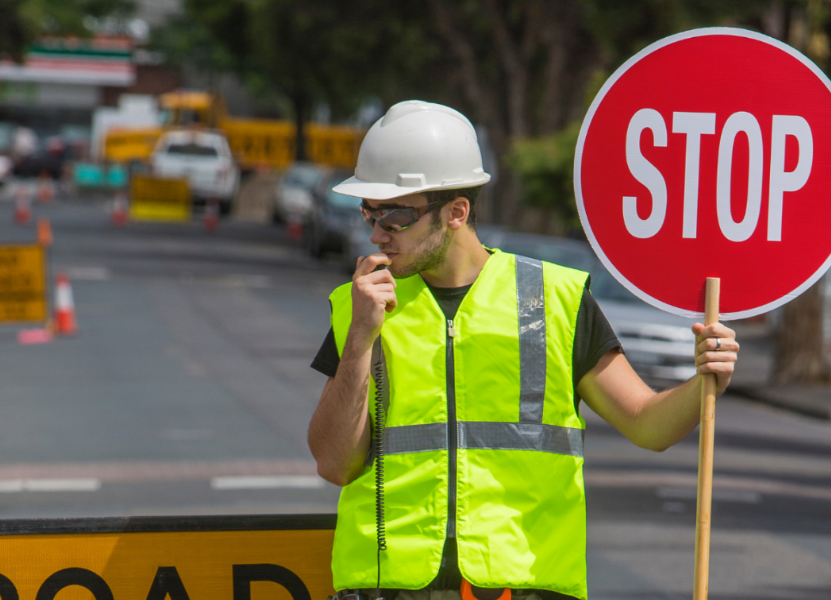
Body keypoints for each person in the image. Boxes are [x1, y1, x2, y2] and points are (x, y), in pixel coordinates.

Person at [307, 101, 739, 600]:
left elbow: (647, 423)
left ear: (457, 213)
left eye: (396, 216)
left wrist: (707, 378)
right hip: (391, 589)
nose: (377, 233)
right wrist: (360, 338)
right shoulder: (361, 306)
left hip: (524, 588)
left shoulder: (555, 299)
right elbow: (335, 464)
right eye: (370, 213)